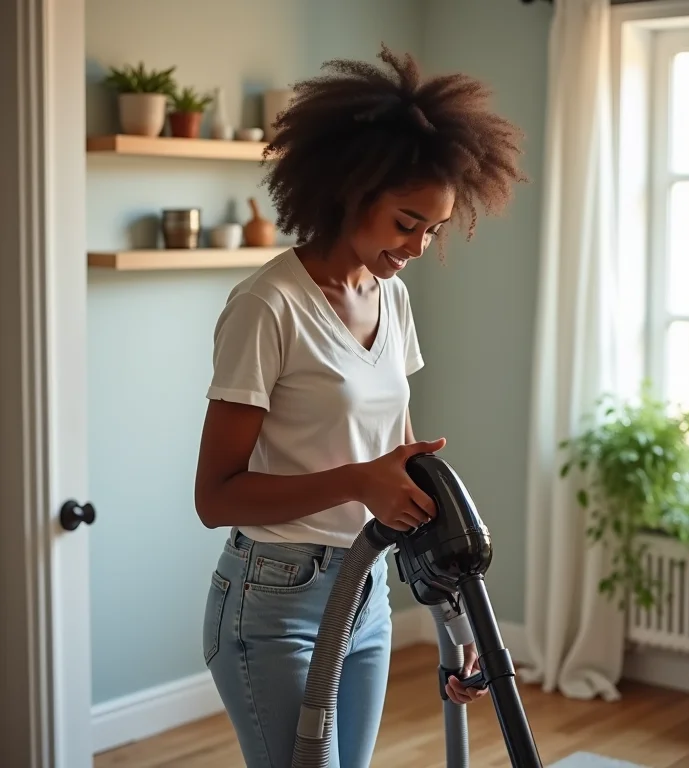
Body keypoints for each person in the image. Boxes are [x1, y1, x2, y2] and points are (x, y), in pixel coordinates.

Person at [194, 43, 525, 768]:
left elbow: (400, 471)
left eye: (433, 229)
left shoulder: (392, 297)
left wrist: (451, 619)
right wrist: (355, 482)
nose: (416, 246)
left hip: (366, 589)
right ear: (351, 190)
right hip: (273, 601)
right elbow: (215, 498)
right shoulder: (267, 307)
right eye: (406, 221)